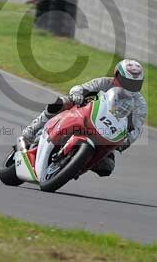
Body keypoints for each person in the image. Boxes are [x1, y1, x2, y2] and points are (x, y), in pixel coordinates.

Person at [16, 59, 147, 177]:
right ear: (117, 76)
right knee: (59, 103)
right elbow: (81, 88)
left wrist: (126, 141)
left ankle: (76, 166)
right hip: (84, 115)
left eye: (134, 84)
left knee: (106, 167)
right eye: (127, 82)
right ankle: (31, 132)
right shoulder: (104, 82)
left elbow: (136, 128)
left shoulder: (140, 104)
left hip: (107, 134)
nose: (129, 87)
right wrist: (77, 94)